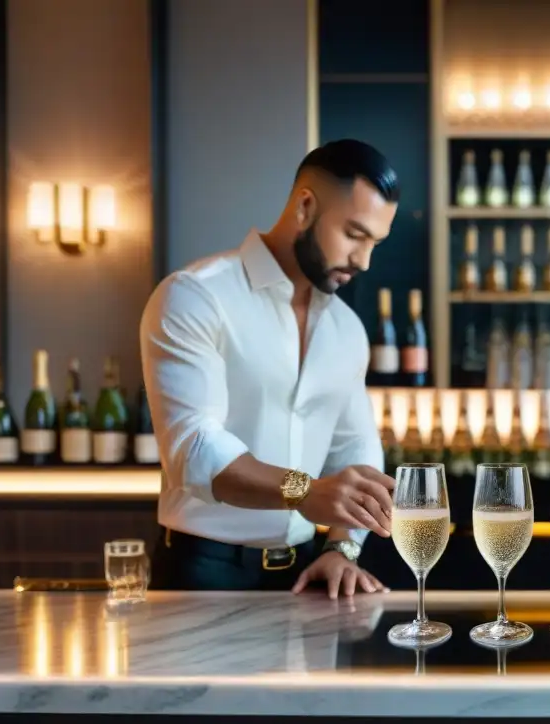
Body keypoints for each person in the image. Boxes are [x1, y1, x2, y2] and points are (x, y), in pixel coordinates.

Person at [140, 139, 399, 596]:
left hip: (304, 579)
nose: (364, 261)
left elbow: (356, 447)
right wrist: (305, 490)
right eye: (354, 235)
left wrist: (342, 548)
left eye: (375, 243)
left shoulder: (347, 329)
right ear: (305, 206)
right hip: (202, 575)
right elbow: (193, 448)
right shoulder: (194, 296)